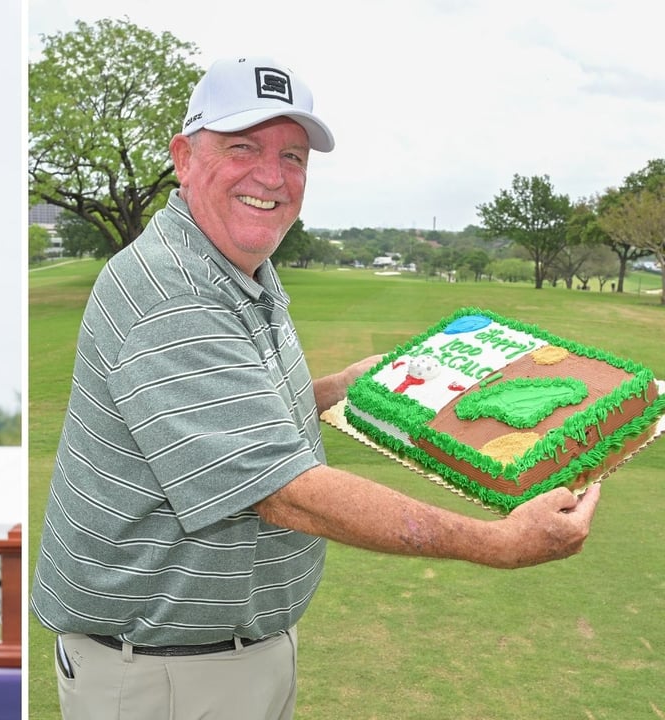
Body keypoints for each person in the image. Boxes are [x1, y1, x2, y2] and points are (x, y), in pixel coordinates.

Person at [30, 56, 601, 720]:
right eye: (243, 147)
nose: (272, 176)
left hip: (225, 655)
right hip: (168, 675)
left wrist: (342, 387)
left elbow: (237, 411)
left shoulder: (233, 264)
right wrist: (497, 543)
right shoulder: (172, 294)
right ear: (184, 158)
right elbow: (286, 491)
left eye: (293, 157)